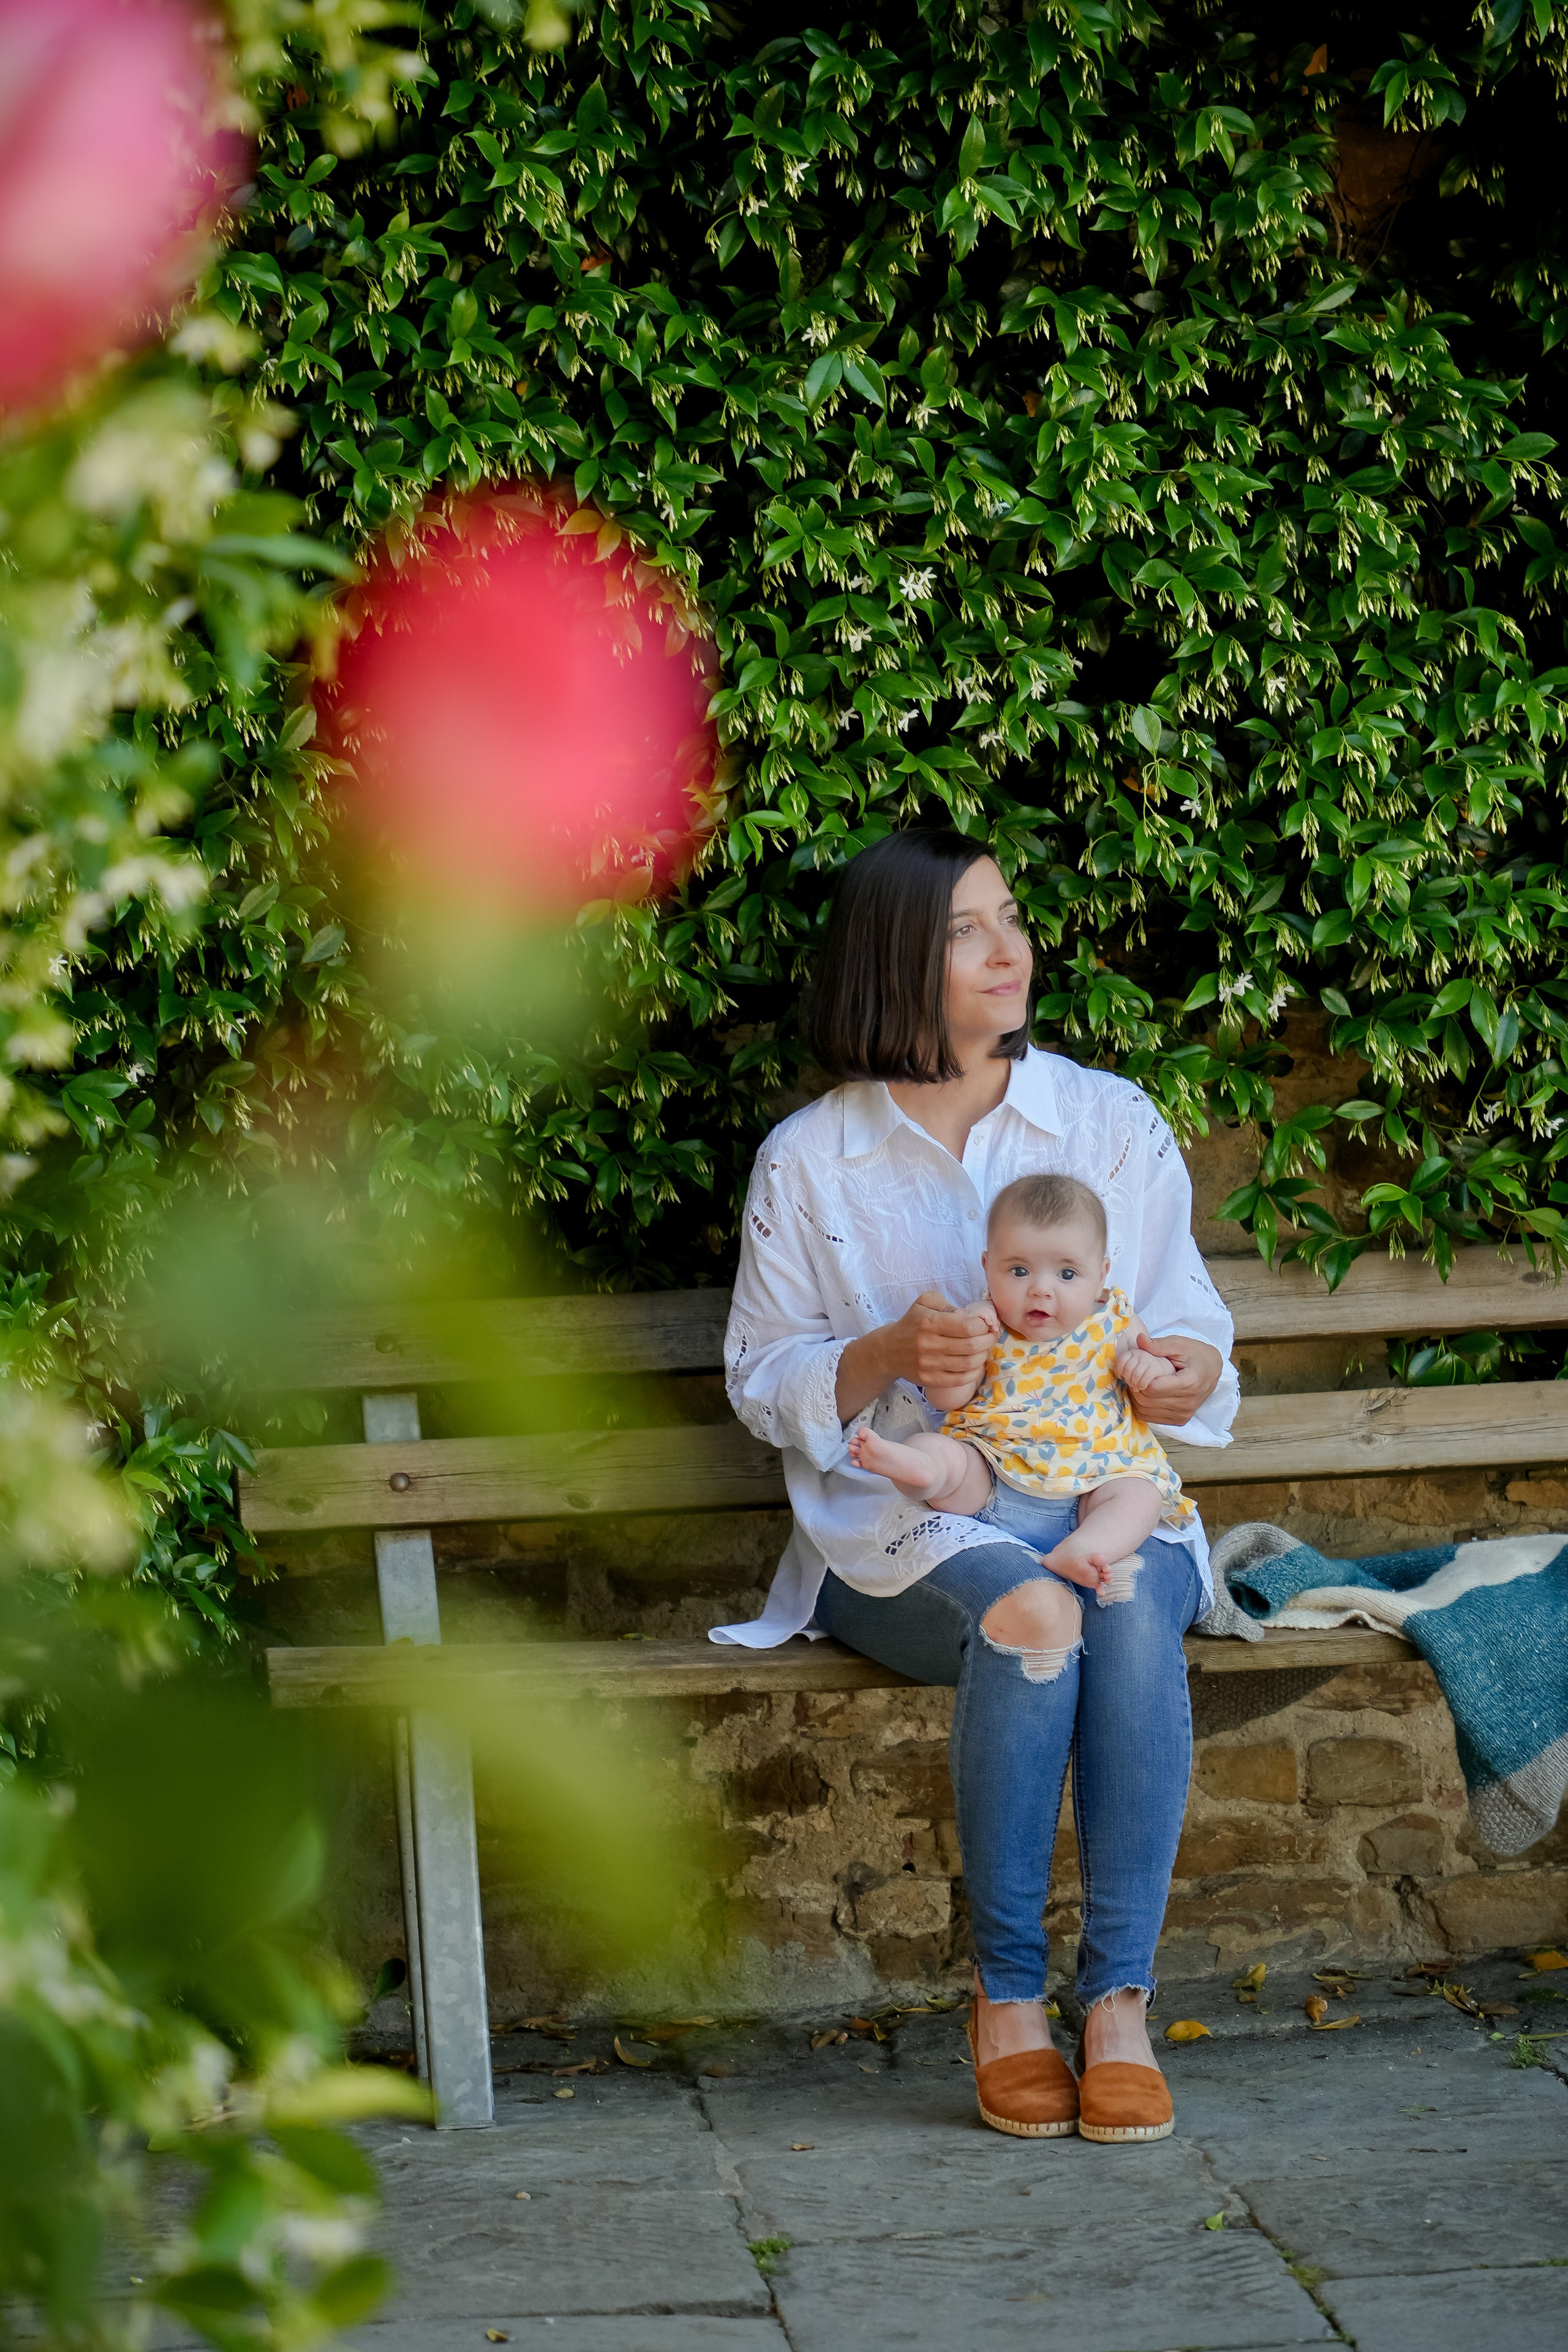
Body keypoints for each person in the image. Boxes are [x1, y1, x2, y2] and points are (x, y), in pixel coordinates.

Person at [712, 827, 1237, 2144]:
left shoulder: (1107, 1123)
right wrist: (881, 1356)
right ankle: (1007, 2000)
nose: (1009, 949)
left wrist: (1177, 1373)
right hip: (907, 1523)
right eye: (966, 929)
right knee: (1035, 1612)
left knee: (1109, 1591)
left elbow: (1193, 1333)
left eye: (1010, 917)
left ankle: (1114, 2003)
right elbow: (757, 1375)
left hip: (1108, 1492)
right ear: (896, 954)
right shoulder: (810, 1161)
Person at [847, 1170, 1200, 1612]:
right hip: (994, 1477)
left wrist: (1148, 1366)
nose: (1041, 1289)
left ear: (1101, 1273)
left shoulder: (1117, 1322)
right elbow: (946, 1401)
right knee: (940, 1450)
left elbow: (1153, 1368)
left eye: (1067, 1273)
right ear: (987, 1265)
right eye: (1018, 1270)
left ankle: (1086, 1547)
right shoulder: (983, 1322)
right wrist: (961, 1357)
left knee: (1140, 1495)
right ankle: (919, 1469)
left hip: (1094, 1486)